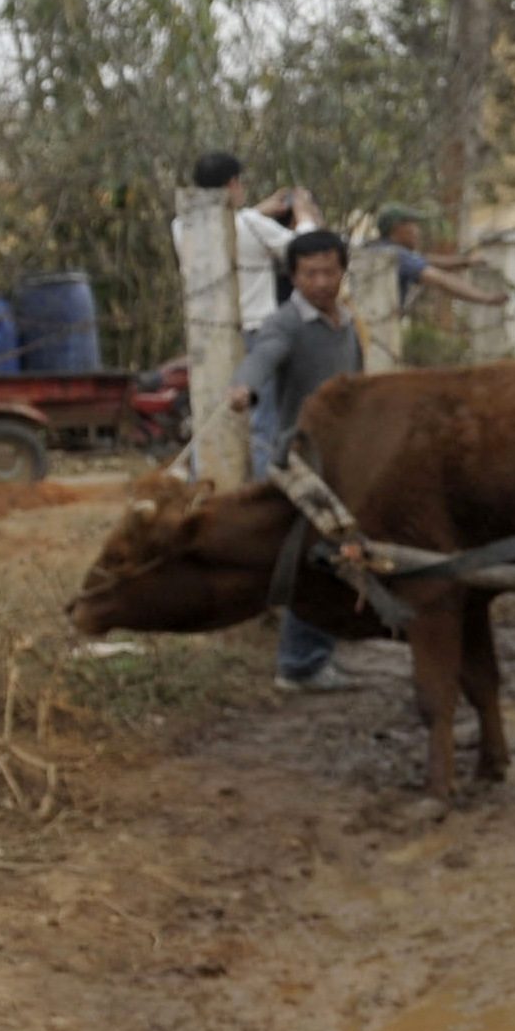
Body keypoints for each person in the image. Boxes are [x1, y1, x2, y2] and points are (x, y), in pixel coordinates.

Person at [230, 229, 367, 692]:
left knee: (340, 555)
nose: (322, 281)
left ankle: (316, 655)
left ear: (342, 272)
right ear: (294, 276)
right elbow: (263, 357)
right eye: (311, 273)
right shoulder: (286, 323)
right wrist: (245, 387)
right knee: (321, 559)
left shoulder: (346, 322)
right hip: (300, 462)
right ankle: (298, 665)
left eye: (330, 271)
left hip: (343, 459)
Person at [181, 151, 310, 319]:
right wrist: (304, 212)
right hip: (257, 325)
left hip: (211, 325)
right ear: (232, 184)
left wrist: (260, 209)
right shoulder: (252, 223)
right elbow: (304, 247)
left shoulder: (182, 226)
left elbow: (230, 227)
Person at [372, 208, 505, 318]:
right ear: (397, 228)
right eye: (412, 225)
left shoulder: (377, 249)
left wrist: (466, 262)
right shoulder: (397, 254)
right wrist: (486, 298)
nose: (417, 231)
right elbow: (440, 279)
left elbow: (426, 260)